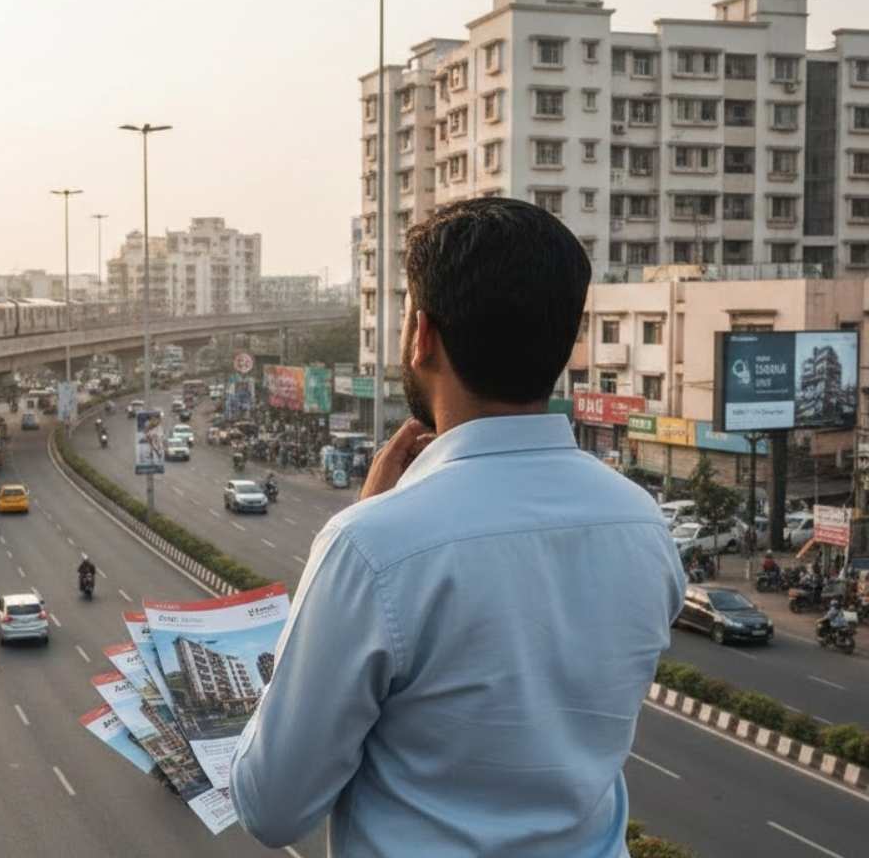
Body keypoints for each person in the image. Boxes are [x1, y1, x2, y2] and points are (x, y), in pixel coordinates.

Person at [228, 198, 685, 856]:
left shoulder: (374, 549)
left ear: (423, 336)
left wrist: (357, 538)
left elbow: (270, 808)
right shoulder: (644, 526)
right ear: (563, 342)